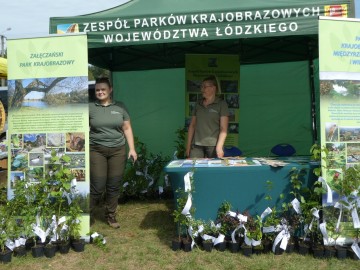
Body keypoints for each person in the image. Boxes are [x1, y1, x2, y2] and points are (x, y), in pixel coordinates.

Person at [89, 77, 137, 228]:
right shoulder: (90, 107)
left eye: (103, 89)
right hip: (97, 150)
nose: (100, 92)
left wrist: (132, 149)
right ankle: (87, 214)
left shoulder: (120, 106)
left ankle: (111, 215)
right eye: (97, 90)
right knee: (97, 185)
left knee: (114, 185)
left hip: (118, 150)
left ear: (110, 90)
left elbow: (127, 128)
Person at [186, 75, 229, 158]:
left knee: (213, 170)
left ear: (213, 88)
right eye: (201, 87)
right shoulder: (198, 104)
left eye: (205, 87)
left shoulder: (221, 104)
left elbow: (223, 129)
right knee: (193, 168)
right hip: (196, 145)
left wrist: (219, 147)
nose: (202, 90)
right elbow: (192, 126)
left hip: (213, 145)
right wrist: (188, 146)